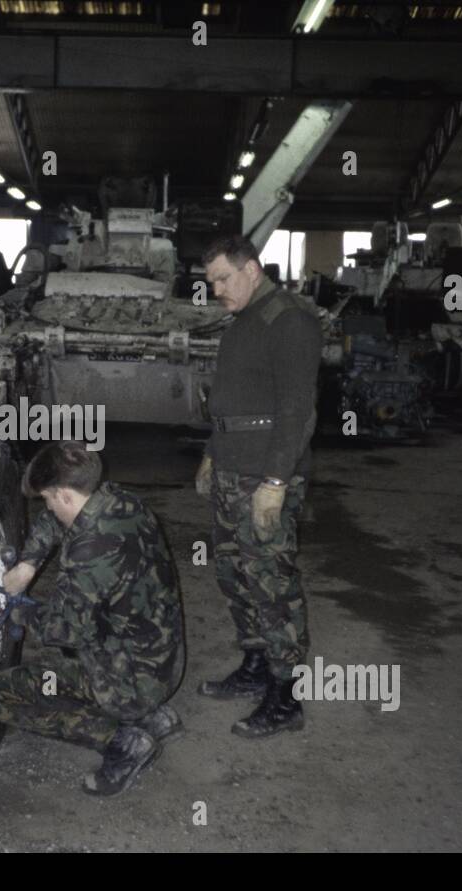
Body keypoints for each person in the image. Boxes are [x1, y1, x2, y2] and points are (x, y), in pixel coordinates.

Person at [0, 440, 185, 797]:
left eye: (46, 498)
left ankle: (122, 741)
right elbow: (52, 522)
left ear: (62, 494)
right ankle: (151, 714)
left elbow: (61, 631)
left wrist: (17, 604)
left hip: (132, 681)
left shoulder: (88, 552)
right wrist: (29, 563)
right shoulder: (121, 502)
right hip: (165, 660)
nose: (46, 506)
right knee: (99, 628)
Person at [195, 234, 322, 738]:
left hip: (263, 475)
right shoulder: (245, 318)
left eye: (224, 278)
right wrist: (211, 452)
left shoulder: (287, 319)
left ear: (253, 268)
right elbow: (230, 397)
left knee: (271, 583)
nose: (217, 289)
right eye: (211, 282)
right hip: (232, 467)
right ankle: (254, 666)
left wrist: (276, 480)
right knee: (235, 575)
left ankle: (285, 695)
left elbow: (297, 408)